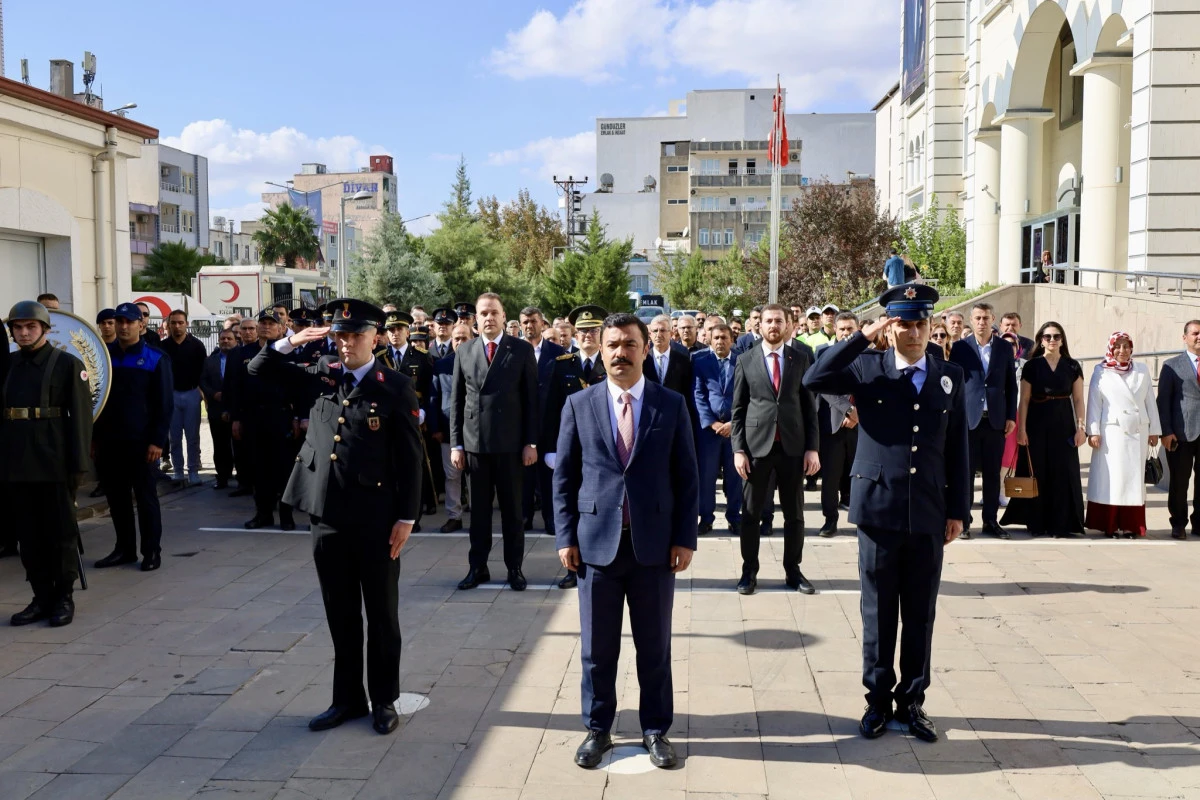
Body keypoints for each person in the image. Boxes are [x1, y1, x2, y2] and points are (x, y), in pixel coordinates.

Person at [803, 282, 969, 745]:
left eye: (921, 323)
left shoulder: (949, 374)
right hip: (878, 508)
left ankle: (912, 701)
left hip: (929, 511)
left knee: (920, 611)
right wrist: (861, 336)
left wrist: (959, 509)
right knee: (878, 611)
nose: (914, 333)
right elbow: (813, 378)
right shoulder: (866, 367)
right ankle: (877, 701)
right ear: (890, 326)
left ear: (931, 325)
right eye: (904, 324)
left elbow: (958, 449)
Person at [249, 298, 422, 736]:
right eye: (340, 334)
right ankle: (346, 699)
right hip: (326, 515)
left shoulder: (393, 385)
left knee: (381, 615)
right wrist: (292, 340)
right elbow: (258, 369)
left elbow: (411, 458)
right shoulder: (322, 372)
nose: (346, 343)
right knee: (340, 613)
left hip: (376, 518)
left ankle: (384, 700)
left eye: (356, 335)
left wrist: (406, 517)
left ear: (375, 338)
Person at [553, 312, 697, 770]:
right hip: (596, 546)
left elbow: (687, 476)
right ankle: (598, 729)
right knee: (598, 650)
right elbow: (565, 478)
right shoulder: (580, 405)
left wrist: (685, 538)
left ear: (643, 348)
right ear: (601, 349)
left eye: (629, 344)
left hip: (654, 547)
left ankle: (656, 729)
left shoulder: (669, 404)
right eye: (611, 345)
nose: (620, 353)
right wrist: (564, 537)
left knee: (654, 646)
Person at [1, 301, 92, 627]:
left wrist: (78, 466)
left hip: (54, 462)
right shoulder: (8, 365)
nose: (24, 333)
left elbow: (81, 419)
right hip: (17, 462)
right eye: (18, 328)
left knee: (60, 533)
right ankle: (40, 597)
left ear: (45, 329)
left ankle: (63, 597)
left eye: (31, 327)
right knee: (29, 535)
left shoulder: (66, 364)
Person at [450, 293, 538, 591]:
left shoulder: (521, 350)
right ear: (475, 319)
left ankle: (515, 568)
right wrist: (456, 445)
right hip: (476, 446)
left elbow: (531, 401)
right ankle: (478, 567)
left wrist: (531, 442)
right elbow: (457, 401)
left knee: (513, 512)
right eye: (483, 313)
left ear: (503, 317)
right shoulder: (465, 351)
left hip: (511, 446)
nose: (488, 318)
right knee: (480, 515)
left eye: (494, 313)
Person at [731, 304, 820, 595]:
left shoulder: (802, 358)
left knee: (794, 515)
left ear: (790, 325)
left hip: (793, 449)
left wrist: (812, 449)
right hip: (757, 450)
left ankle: (793, 571)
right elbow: (738, 409)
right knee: (751, 514)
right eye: (768, 320)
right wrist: (738, 450)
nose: (772, 325)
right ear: (760, 325)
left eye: (778, 321)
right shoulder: (746, 359)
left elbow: (810, 408)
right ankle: (749, 572)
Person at [93, 302, 173, 571]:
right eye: (119, 321)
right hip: (109, 442)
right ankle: (124, 549)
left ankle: (151, 551)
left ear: (141, 324)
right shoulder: (102, 356)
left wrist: (157, 441)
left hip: (141, 443)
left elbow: (164, 404)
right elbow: (95, 400)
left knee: (146, 498)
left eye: (129, 322)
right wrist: (93, 439)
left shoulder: (156, 358)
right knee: (117, 499)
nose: (123, 327)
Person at [1001, 321, 1087, 537]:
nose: (1052, 340)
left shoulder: (1073, 366)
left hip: (1064, 424)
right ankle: (1037, 522)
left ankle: (1061, 524)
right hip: (1037, 424)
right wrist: (1022, 430)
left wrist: (1081, 428)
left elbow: (1078, 400)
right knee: (1037, 471)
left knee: (1063, 472)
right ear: (1040, 340)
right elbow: (1025, 401)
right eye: (1047, 336)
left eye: (1056, 336)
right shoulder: (1031, 366)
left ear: (1062, 340)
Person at [950, 303, 1017, 539]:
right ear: (971, 319)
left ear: (993, 319)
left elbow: (1011, 385)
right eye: (977, 318)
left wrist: (1011, 416)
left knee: (991, 474)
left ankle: (990, 521)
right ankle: (965, 522)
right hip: (968, 420)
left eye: (986, 318)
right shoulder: (959, 348)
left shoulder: (1003, 348)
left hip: (995, 420)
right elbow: (955, 385)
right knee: (965, 474)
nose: (981, 322)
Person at [1084, 332, 1161, 538]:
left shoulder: (1142, 370)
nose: (1122, 351)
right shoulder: (1100, 371)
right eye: (1117, 346)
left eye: (1126, 346)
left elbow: (1150, 402)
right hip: (1112, 433)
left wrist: (1154, 430)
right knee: (1113, 479)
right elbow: (1094, 404)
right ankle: (1110, 524)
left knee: (1133, 480)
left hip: (1138, 430)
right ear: (1111, 348)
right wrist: (1093, 431)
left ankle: (1131, 525)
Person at [230, 308, 298, 531]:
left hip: (281, 417)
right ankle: (263, 513)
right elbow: (235, 389)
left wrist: (298, 416)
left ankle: (286, 515)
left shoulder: (290, 352)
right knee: (258, 469)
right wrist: (236, 419)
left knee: (284, 468)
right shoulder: (242, 354)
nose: (267, 327)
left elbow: (300, 388)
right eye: (263, 323)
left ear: (281, 328)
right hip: (253, 418)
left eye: (272, 323)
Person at [692, 323, 742, 535]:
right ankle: (706, 518)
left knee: (735, 476)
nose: (720, 341)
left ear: (732, 340)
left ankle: (734, 517)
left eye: (724, 338)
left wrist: (734, 423)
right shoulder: (700, 361)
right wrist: (712, 423)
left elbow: (747, 395)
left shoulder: (742, 361)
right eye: (716, 338)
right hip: (708, 432)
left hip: (735, 430)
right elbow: (698, 394)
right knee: (707, 476)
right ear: (709, 340)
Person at [815, 312, 860, 537]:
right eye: (841, 329)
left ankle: (861, 519)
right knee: (831, 477)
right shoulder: (823, 352)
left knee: (860, 476)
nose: (845, 333)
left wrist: (856, 414)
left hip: (859, 426)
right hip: (833, 423)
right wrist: (848, 409)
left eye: (849, 329)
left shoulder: (868, 353)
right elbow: (821, 386)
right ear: (835, 329)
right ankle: (830, 519)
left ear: (857, 330)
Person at [1156, 320, 1200, 540]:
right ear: (1185, 337)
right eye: (1195, 333)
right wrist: (1166, 431)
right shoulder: (1172, 365)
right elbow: (1163, 401)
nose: (1199, 337)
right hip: (1181, 434)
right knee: (1179, 482)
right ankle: (1178, 524)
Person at [429, 322, 473, 533]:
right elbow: (434, 397)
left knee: (475, 475)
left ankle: (477, 512)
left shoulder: (481, 361)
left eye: (464, 338)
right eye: (456, 338)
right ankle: (454, 516)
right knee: (452, 475)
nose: (460, 342)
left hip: (475, 429)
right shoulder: (442, 365)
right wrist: (435, 427)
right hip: (448, 430)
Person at [159, 309, 208, 485]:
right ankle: (178, 471)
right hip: (171, 395)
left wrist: (203, 395)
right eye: (174, 323)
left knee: (193, 436)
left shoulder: (197, 345)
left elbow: (204, 372)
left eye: (180, 322)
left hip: (192, 394)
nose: (177, 326)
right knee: (174, 437)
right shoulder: (163, 346)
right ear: (169, 325)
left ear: (186, 323)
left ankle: (193, 471)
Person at [201, 328, 239, 490]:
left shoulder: (241, 359)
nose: (225, 341)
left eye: (229, 339)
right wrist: (212, 394)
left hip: (237, 407)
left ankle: (243, 480)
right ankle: (222, 477)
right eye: (222, 339)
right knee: (220, 444)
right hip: (216, 408)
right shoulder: (210, 361)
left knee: (239, 445)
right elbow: (202, 381)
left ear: (235, 341)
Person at [573, 306, 608, 386]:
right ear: (576, 337)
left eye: (594, 330)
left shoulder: (609, 362)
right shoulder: (563, 365)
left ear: (602, 335)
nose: (588, 335)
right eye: (583, 331)